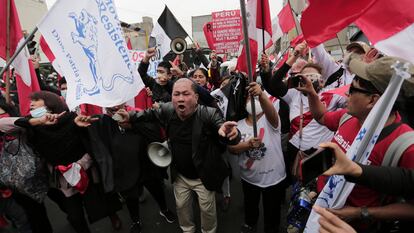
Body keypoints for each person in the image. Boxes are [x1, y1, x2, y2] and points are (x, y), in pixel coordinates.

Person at [298, 55, 414, 232]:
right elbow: (321, 116)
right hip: (319, 211)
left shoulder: (405, 145)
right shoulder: (347, 116)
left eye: (352, 89)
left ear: (372, 100)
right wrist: (312, 94)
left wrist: (362, 212)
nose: (346, 93)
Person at [118, 78, 240, 233]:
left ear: (196, 97)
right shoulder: (168, 109)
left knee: (207, 210)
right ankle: (187, 230)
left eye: (185, 94)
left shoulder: (208, 113)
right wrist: (130, 117)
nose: (180, 98)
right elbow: (148, 114)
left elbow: (225, 129)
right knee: (181, 207)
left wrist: (232, 134)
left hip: (202, 176)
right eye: (176, 94)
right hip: (180, 175)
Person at [78, 103, 176, 233]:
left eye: (117, 103)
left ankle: (164, 209)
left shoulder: (136, 112)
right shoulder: (102, 121)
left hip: (145, 163)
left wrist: (132, 124)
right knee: (131, 198)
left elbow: (153, 132)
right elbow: (94, 139)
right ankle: (135, 221)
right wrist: (81, 126)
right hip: (124, 168)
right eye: (111, 105)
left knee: (156, 188)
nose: (114, 107)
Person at [228, 82, 286, 233]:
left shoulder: (271, 119)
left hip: (274, 178)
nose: (252, 100)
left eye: (255, 97)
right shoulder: (238, 125)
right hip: (249, 178)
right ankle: (250, 223)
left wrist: (261, 94)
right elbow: (232, 149)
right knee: (250, 206)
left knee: (272, 212)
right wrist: (247, 145)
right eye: (248, 97)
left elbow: (270, 110)